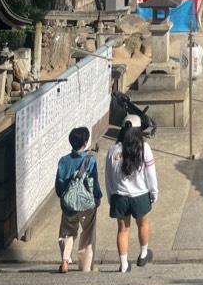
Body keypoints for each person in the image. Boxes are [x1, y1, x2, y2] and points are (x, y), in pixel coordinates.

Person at [106, 114, 158, 272]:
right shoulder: (144, 148)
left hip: (119, 197)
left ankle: (123, 264)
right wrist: (154, 192)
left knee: (122, 229)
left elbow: (108, 177)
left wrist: (111, 196)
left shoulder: (113, 151)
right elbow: (151, 174)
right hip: (140, 195)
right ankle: (143, 254)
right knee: (143, 224)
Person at [55, 126, 102, 274]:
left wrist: (63, 197)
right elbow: (94, 182)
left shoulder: (63, 161)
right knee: (88, 232)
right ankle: (86, 266)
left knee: (67, 232)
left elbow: (59, 185)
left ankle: (65, 260)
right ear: (85, 142)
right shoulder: (90, 160)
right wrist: (97, 197)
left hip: (69, 205)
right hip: (86, 204)